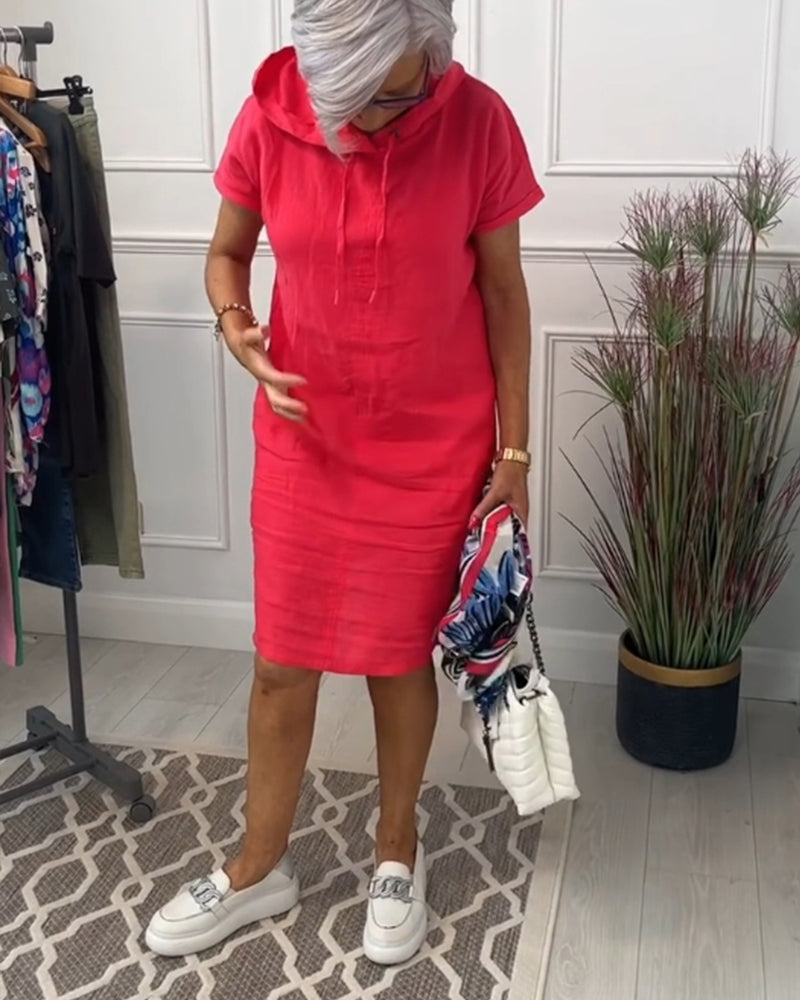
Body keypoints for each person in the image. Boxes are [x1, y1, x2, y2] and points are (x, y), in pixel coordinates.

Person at [145, 0, 543, 966]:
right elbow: (225, 254)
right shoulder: (269, 116)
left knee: (396, 660)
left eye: (395, 94)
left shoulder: (477, 122)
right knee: (281, 662)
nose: (371, 116)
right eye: (351, 96)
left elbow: (502, 291)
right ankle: (258, 865)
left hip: (431, 447)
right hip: (305, 443)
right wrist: (238, 329)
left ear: (430, 51)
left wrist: (515, 454)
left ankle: (396, 850)